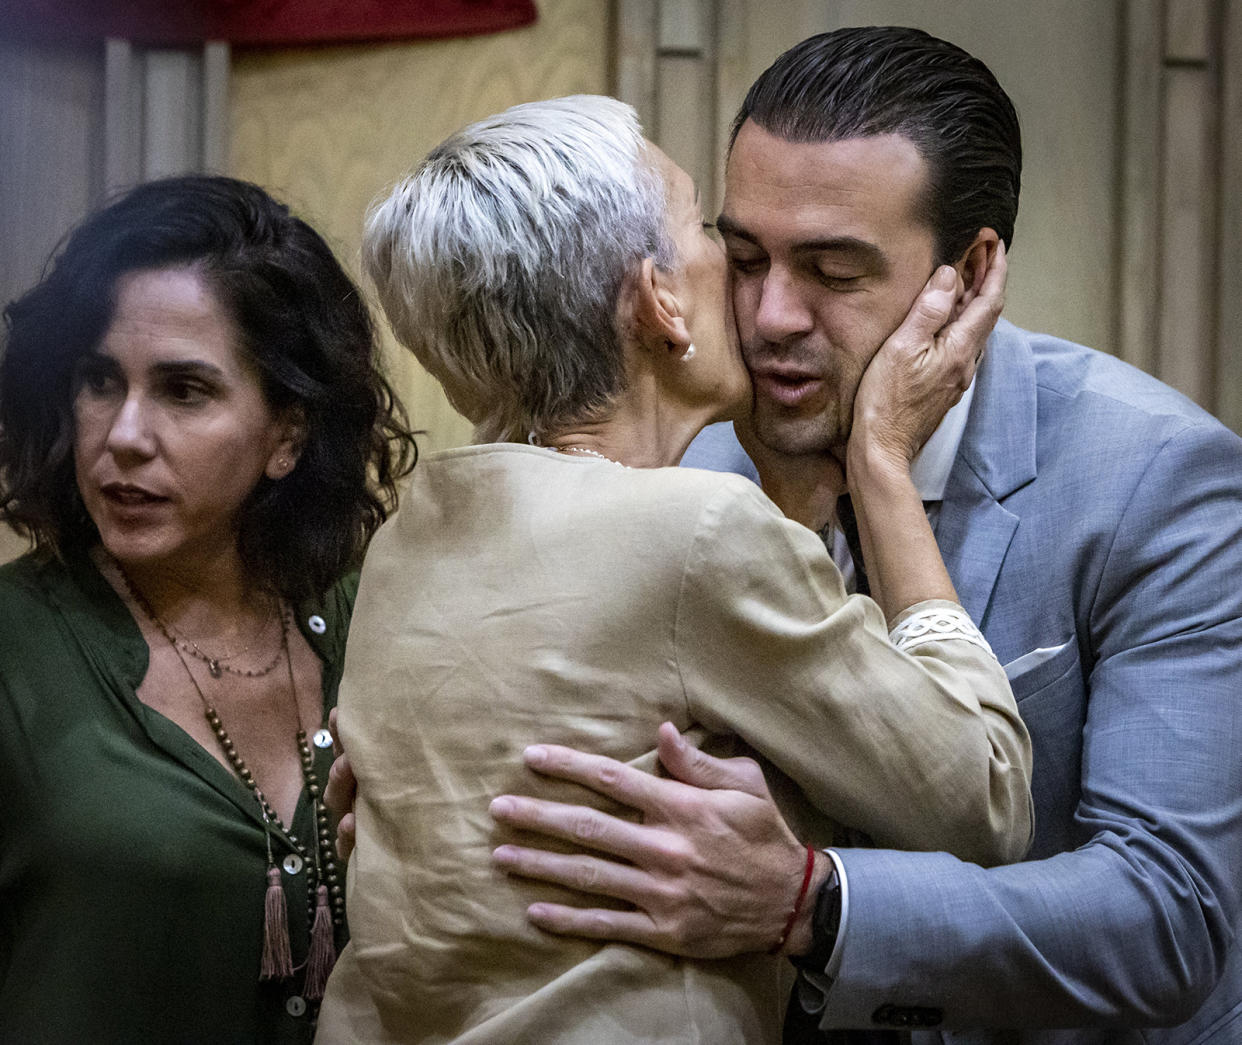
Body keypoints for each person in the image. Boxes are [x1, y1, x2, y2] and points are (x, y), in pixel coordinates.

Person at [485, 27, 1242, 1044]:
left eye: (833, 272)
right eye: (744, 258)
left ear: (969, 276)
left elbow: (1167, 916)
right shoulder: (684, 467)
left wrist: (814, 902)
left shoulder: (1157, 479)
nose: (770, 317)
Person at [315, 95, 1030, 1045]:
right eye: (708, 233)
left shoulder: (411, 537)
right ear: (657, 298)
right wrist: (883, 463)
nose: (759, 301)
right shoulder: (700, 529)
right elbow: (982, 795)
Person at [0, 174, 416, 1043]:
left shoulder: (376, 622)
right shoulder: (18, 642)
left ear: (288, 435)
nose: (123, 435)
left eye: (184, 391)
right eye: (99, 381)